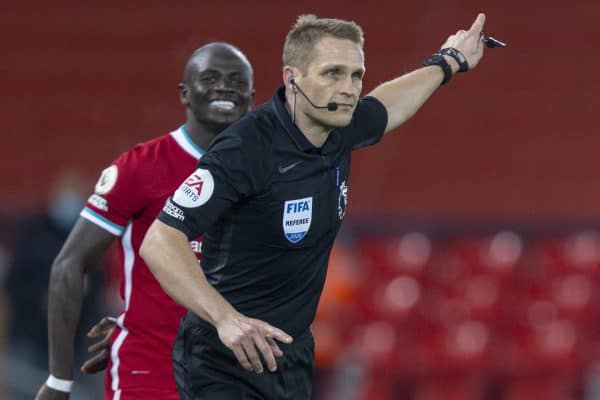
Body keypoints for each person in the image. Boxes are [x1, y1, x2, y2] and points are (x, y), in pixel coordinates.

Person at [140, 13, 487, 399]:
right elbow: (160, 239)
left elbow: (387, 105)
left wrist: (448, 62)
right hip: (224, 358)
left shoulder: (339, 126)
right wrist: (227, 320)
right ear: (293, 78)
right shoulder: (245, 149)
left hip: (292, 355)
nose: (349, 88)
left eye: (356, 75)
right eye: (332, 73)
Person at [34, 42, 255, 400]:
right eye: (210, 77)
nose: (224, 87)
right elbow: (69, 265)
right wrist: (60, 378)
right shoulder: (142, 167)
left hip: (238, 377)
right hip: (151, 371)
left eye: (236, 80)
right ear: (184, 94)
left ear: (252, 97)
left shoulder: (268, 175)